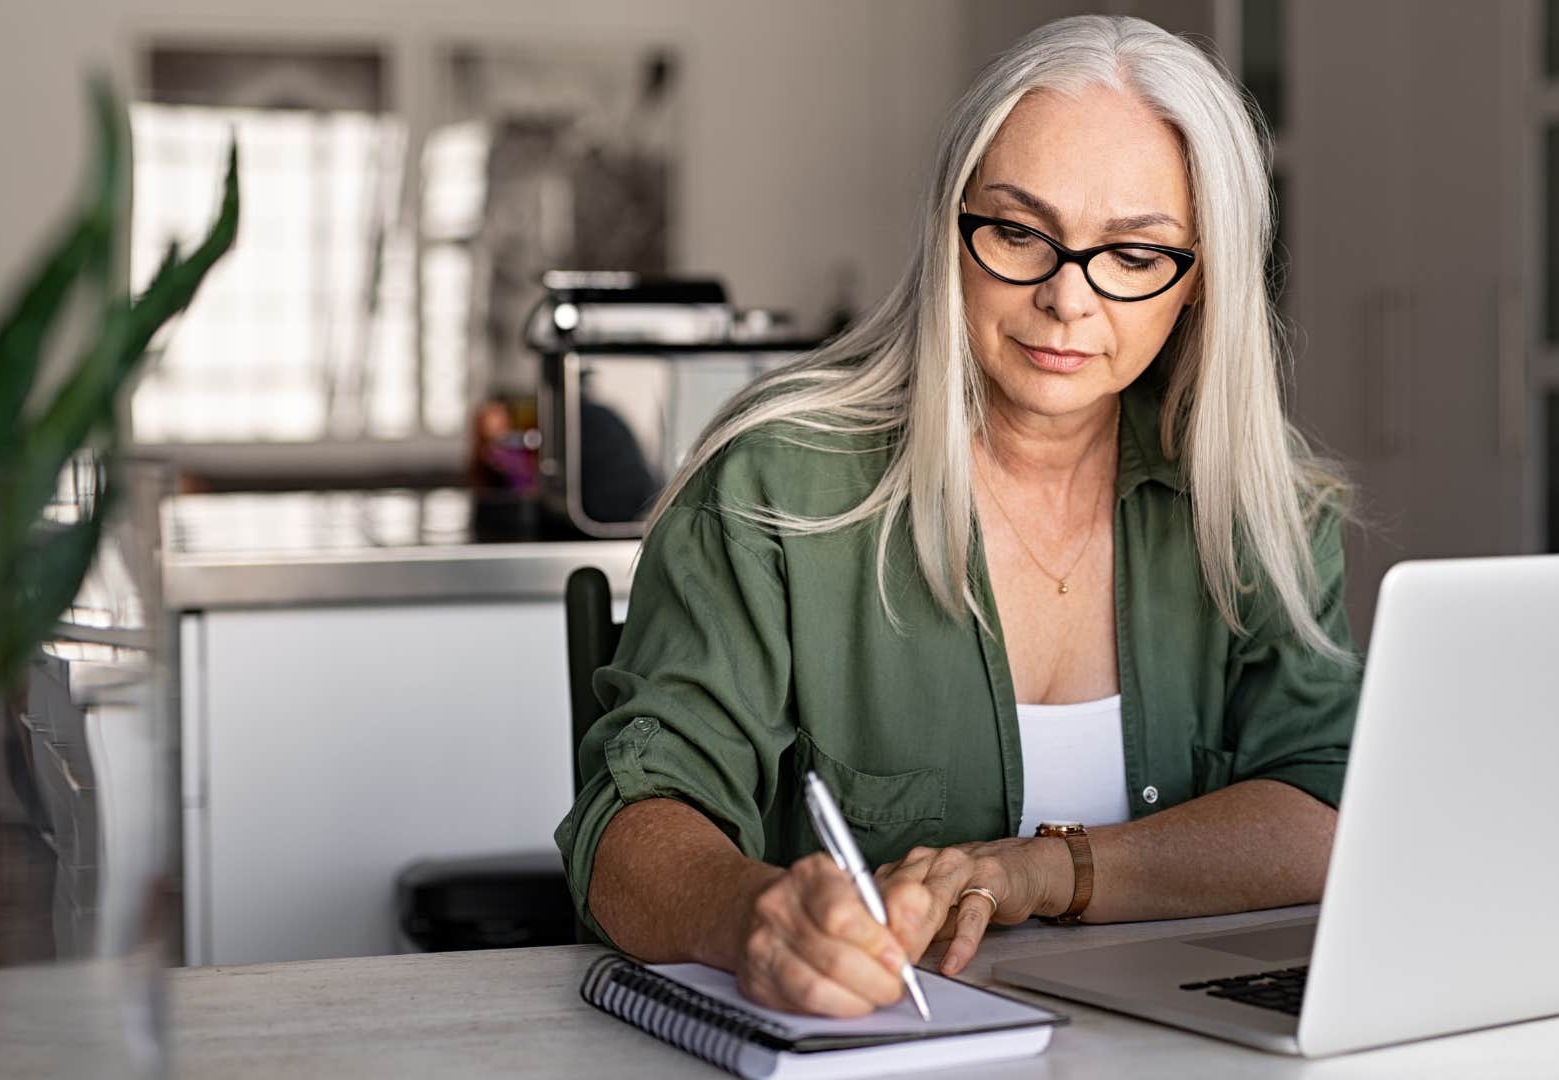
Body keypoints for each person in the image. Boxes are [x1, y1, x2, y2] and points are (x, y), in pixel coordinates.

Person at [555, 13, 1361, 1019]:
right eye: (1020, 232)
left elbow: (1327, 809)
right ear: (951, 229)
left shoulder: (1261, 502)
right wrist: (750, 915)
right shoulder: (773, 481)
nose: (1068, 300)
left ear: (1200, 283)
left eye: (1135, 253)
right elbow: (630, 827)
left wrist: (1039, 871)